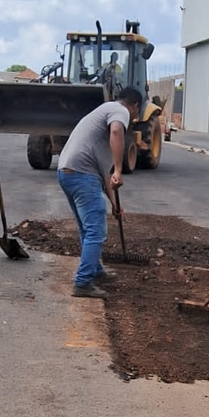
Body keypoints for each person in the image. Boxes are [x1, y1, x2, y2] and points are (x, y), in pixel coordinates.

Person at [58, 87, 143, 299]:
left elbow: (104, 175)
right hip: (82, 175)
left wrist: (115, 205)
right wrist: (119, 168)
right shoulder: (120, 111)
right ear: (135, 107)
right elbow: (116, 132)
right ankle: (83, 283)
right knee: (96, 231)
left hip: (68, 173)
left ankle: (94, 270)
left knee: (88, 229)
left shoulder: (102, 112)